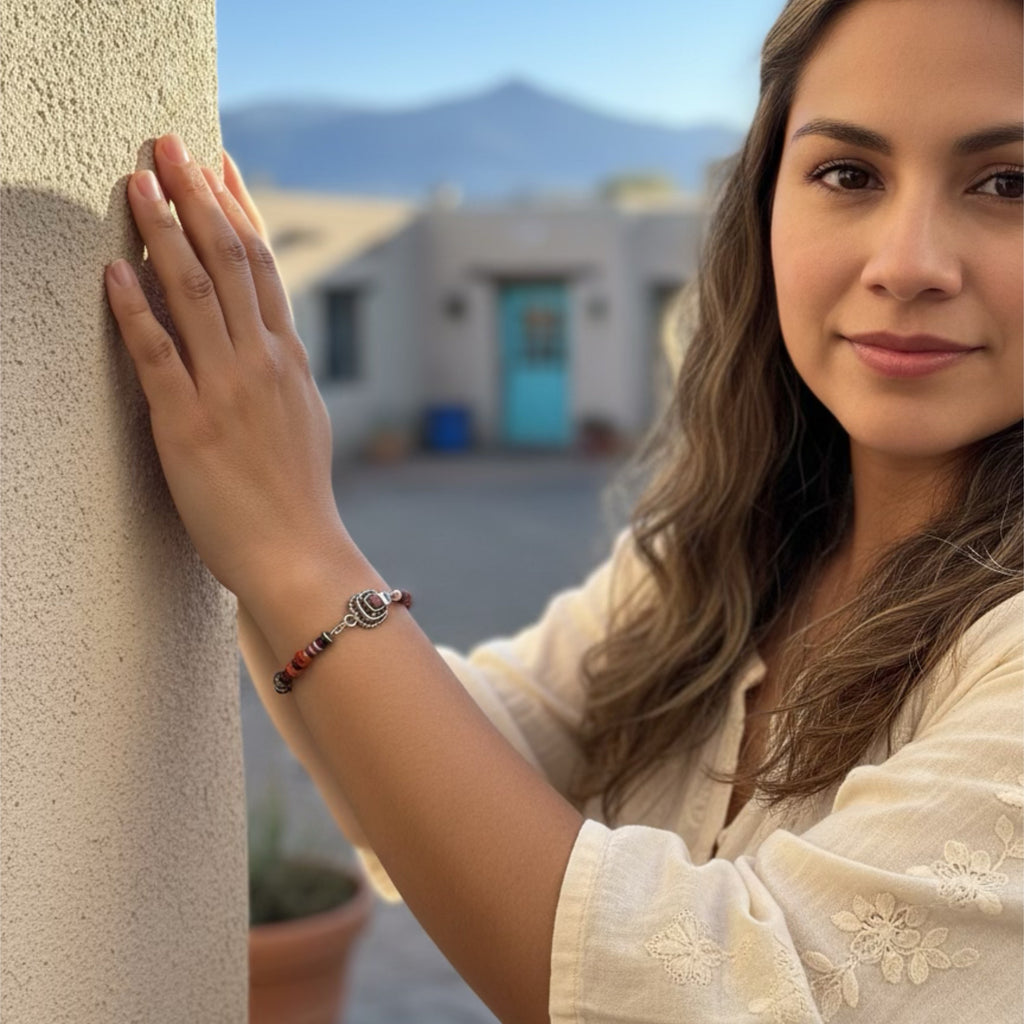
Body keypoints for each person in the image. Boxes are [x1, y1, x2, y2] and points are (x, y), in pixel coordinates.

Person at [103, 0, 1022, 1019]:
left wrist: (297, 550)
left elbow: (707, 991)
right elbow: (464, 747)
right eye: (847, 174)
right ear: (766, 206)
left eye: (1007, 183)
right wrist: (242, 484)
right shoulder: (728, 553)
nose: (905, 262)